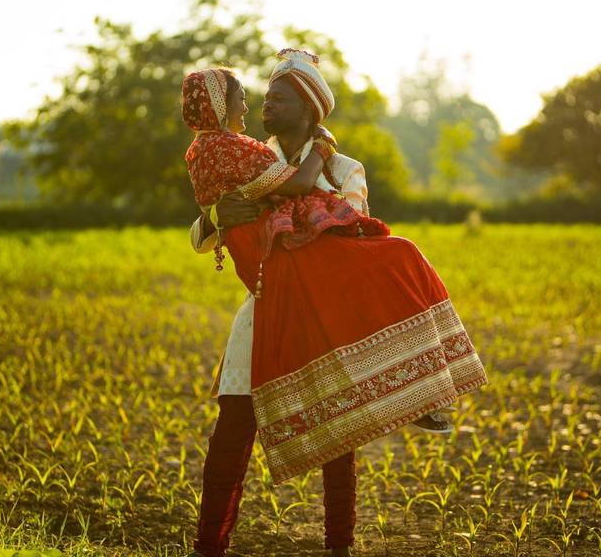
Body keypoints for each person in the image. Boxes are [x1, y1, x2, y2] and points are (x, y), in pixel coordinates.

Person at [185, 50, 487, 557]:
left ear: (308, 110)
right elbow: (201, 235)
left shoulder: (346, 167)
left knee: (339, 441)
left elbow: (351, 234)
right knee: (231, 432)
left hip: (326, 313)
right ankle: (207, 548)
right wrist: (218, 214)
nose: (265, 106)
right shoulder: (248, 153)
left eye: (278, 98)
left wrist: (289, 184)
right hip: (263, 306)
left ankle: (339, 549)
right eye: (262, 97)